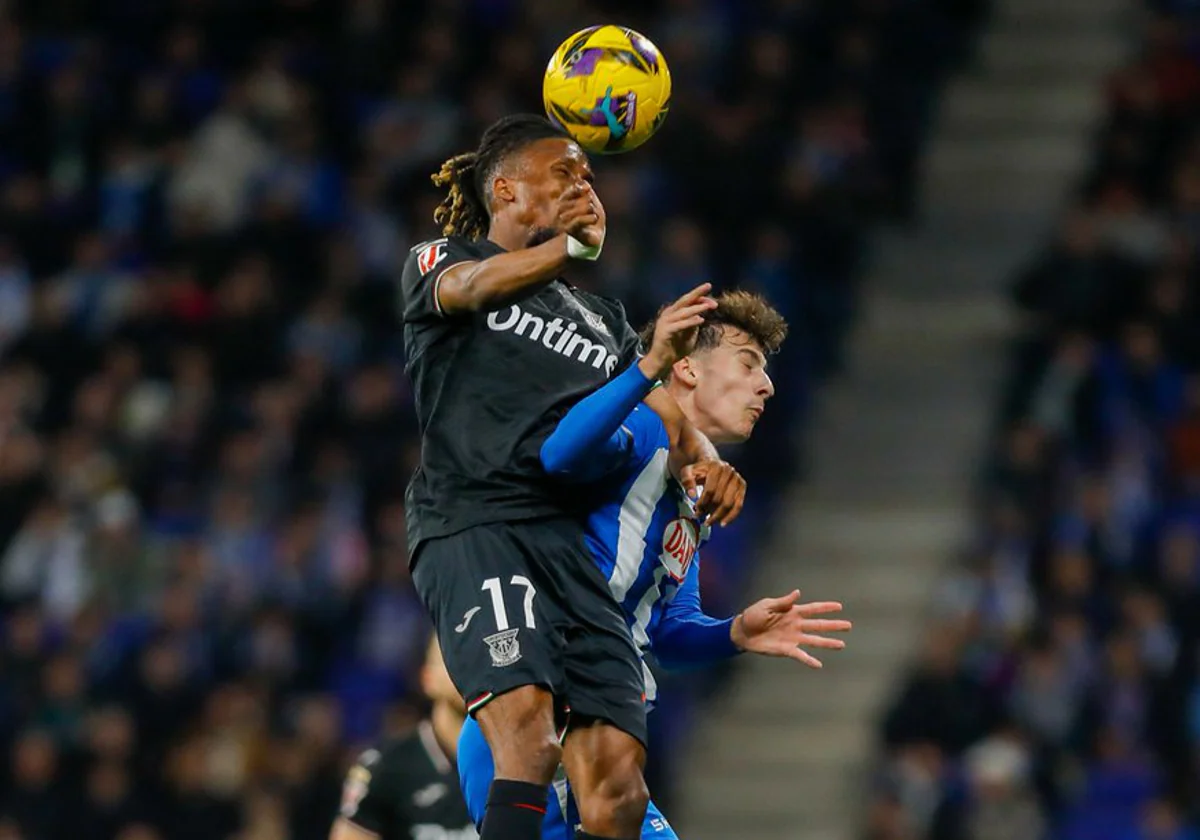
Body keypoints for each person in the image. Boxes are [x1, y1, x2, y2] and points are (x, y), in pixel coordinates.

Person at [400, 113, 744, 840]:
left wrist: (714, 469)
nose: (582, 184)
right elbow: (470, 287)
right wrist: (569, 246)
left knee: (616, 784)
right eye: (563, 172)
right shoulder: (440, 258)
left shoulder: (602, 319)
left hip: (563, 544)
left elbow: (671, 418)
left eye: (588, 175)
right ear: (505, 187)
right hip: (476, 523)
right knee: (526, 731)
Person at [456, 291, 854, 839]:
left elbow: (664, 631)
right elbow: (559, 454)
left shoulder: (693, 493)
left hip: (594, 719)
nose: (767, 385)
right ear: (686, 366)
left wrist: (734, 631)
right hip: (549, 715)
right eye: (749, 364)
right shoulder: (642, 427)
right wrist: (646, 372)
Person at [331, 638, 477, 840]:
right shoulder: (386, 767)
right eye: (457, 657)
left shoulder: (521, 758)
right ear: (428, 678)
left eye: (480, 659)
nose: (471, 669)